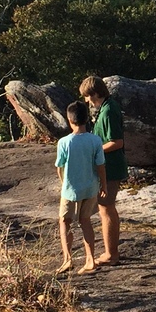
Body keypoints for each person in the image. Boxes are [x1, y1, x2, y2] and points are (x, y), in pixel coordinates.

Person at [53, 100, 106, 274]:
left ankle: (68, 259)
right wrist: (103, 185)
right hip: (90, 187)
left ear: (69, 120)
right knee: (86, 221)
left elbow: (59, 166)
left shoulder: (64, 142)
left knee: (64, 221)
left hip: (70, 189)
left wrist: (63, 184)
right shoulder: (95, 140)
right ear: (86, 119)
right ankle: (90, 259)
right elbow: (100, 165)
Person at [79, 75, 125, 264]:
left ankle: (111, 254)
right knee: (104, 208)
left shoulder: (108, 111)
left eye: (88, 96)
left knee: (107, 209)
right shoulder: (105, 109)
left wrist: (93, 150)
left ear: (96, 93)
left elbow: (117, 142)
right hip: (106, 167)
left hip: (112, 167)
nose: (87, 100)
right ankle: (110, 252)